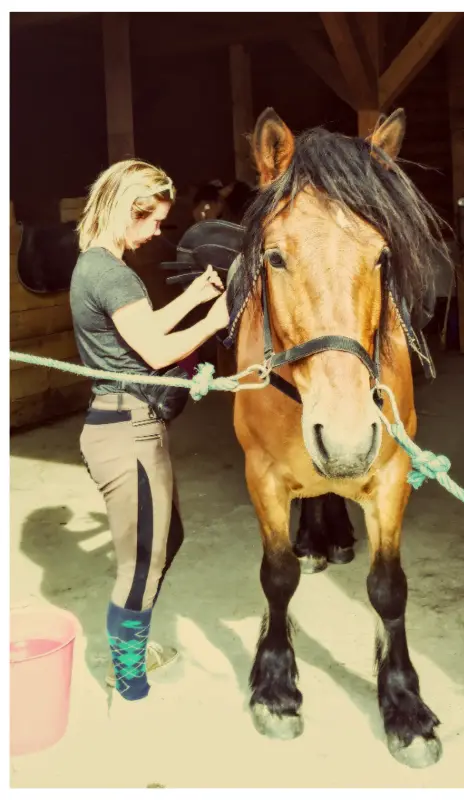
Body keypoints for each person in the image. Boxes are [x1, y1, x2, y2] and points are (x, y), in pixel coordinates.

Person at [69, 159, 230, 720]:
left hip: (131, 425)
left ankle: (128, 653)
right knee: (141, 565)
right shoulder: (109, 272)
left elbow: (145, 328)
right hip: (126, 431)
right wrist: (217, 320)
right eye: (154, 220)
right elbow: (158, 353)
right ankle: (130, 680)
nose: (158, 232)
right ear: (128, 210)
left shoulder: (101, 265)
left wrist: (196, 299)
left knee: (167, 541)